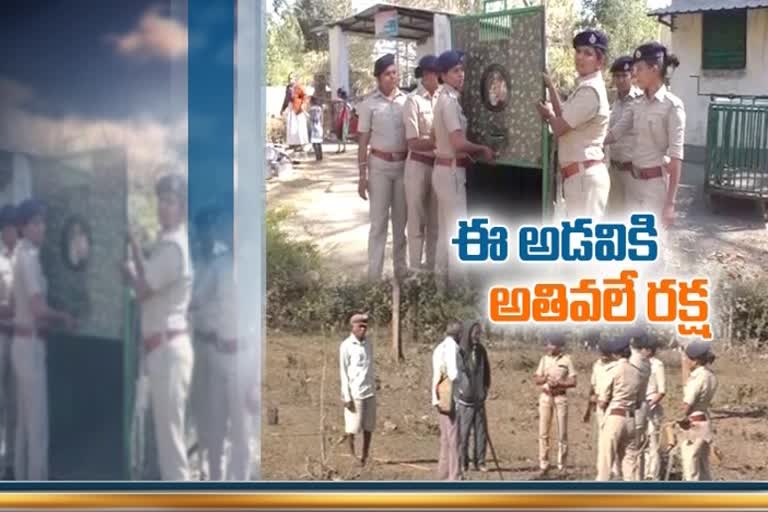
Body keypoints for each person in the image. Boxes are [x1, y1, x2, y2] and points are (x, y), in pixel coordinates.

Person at [122, 174, 194, 481]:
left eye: (171, 202)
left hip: (168, 350)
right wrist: (136, 250)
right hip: (162, 349)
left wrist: (126, 270)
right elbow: (150, 277)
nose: (164, 207)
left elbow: (142, 289)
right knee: (164, 439)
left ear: (181, 208)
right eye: (161, 201)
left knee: (171, 445)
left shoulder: (174, 248)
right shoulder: (168, 245)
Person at [11, 199, 76, 480]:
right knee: (37, 427)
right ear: (24, 227)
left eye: (43, 222)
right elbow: (38, 309)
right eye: (35, 222)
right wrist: (64, 317)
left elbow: (17, 304)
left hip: (22, 342)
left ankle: (20, 484)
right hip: (31, 345)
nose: (42, 227)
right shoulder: (29, 258)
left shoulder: (18, 255)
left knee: (24, 425)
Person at [604, 42, 684, 229]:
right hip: (633, 183)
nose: (634, 75)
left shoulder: (672, 106)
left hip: (654, 187)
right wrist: (589, 143)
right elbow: (615, 133)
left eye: (638, 69)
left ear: (654, 69)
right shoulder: (637, 104)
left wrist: (670, 204)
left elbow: (676, 159)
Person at [432, 50, 495, 285]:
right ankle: (460, 292)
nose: (461, 75)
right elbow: (458, 142)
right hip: (451, 172)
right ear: (443, 75)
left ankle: (439, 290)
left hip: (444, 169)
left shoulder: (446, 99)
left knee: (445, 235)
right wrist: (482, 150)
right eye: (455, 71)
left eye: (462, 70)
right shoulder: (448, 102)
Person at [536, 30, 611, 220]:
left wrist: (548, 115)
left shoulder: (590, 91)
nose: (580, 57)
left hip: (585, 177)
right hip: (579, 177)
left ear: (599, 61)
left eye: (588, 53)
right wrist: (551, 87)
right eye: (578, 51)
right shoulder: (585, 87)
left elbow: (560, 127)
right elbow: (564, 114)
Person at [204, 210, 254, 480]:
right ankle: (213, 484)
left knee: (241, 434)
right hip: (218, 354)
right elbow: (199, 300)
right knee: (215, 428)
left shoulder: (253, 266)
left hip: (244, 357)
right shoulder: (218, 266)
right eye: (227, 228)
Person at [356, 54, 409, 282]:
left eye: (395, 72)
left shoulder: (407, 101)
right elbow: (363, 140)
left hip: (403, 167)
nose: (392, 77)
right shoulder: (369, 104)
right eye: (387, 73)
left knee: (401, 224)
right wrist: (362, 175)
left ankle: (401, 272)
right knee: (378, 224)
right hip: (379, 168)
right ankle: (374, 278)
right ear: (378, 77)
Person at [187, 206, 222, 479]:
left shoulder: (223, 261)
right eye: (203, 230)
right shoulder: (193, 263)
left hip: (221, 343)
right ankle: (200, 468)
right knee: (199, 404)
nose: (207, 235)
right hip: (195, 342)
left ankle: (214, 467)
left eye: (211, 229)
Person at [403, 55, 441, 272]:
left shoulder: (443, 98)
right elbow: (413, 141)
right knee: (417, 221)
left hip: (438, 166)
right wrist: (439, 141)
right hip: (418, 166)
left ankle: (432, 267)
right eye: (437, 73)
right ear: (427, 75)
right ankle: (416, 269)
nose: (440, 77)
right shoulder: (413, 101)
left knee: (435, 222)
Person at [596, 334, 644, 481]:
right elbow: (639, 402)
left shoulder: (612, 369)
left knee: (606, 460)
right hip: (631, 418)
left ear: (615, 353)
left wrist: (600, 403)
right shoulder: (637, 372)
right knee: (630, 462)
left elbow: (603, 401)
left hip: (615, 416)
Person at [532, 332, 577, 477]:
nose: (549, 347)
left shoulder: (567, 360)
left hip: (560, 398)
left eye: (552, 344)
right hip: (545, 397)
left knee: (562, 433)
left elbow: (573, 381)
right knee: (543, 432)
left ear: (559, 346)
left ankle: (561, 466)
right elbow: (536, 379)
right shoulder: (544, 360)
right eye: (548, 344)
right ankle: (544, 464)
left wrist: (560, 383)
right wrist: (545, 378)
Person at [606, 55, 642, 217]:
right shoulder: (616, 102)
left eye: (624, 75)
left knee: (631, 217)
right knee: (613, 217)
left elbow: (616, 132)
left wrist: (591, 143)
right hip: (614, 169)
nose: (620, 80)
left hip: (632, 172)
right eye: (617, 76)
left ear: (632, 77)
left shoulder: (639, 100)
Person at [339, 313, 376, 466]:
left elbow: (370, 367)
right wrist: (346, 397)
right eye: (359, 326)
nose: (362, 329)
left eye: (365, 326)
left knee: (369, 426)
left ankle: (365, 455)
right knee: (352, 427)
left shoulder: (368, 344)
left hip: (370, 391)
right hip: (355, 393)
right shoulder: (346, 346)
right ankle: (352, 455)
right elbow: (343, 372)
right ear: (352, 326)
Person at [679, 340, 718, 481]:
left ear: (695, 360)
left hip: (694, 424)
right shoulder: (710, 375)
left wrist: (680, 417)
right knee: (703, 466)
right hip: (705, 421)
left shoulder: (697, 378)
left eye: (688, 359)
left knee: (691, 468)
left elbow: (687, 404)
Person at [455, 321, 491, 474]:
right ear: (469, 334)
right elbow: (457, 374)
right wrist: (461, 391)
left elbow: (487, 372)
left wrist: (485, 389)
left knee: (481, 432)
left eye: (479, 333)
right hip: (465, 401)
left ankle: (480, 461)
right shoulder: (462, 352)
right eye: (475, 333)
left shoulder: (482, 351)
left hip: (479, 399)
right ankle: (464, 463)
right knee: (464, 433)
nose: (477, 336)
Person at [432, 320, 462, 480]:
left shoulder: (439, 347)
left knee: (445, 439)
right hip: (450, 397)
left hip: (439, 397)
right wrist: (463, 376)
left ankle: (443, 475)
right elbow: (453, 373)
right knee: (453, 439)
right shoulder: (452, 348)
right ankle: (454, 476)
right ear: (458, 334)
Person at [0, 205, 16, 480]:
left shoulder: (25, 257)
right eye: (12, 226)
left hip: (19, 337)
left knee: (15, 403)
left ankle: (10, 461)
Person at [586, 338, 618, 478]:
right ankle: (602, 469)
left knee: (612, 438)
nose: (604, 356)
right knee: (602, 438)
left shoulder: (617, 366)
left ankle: (616, 469)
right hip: (599, 405)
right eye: (602, 353)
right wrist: (589, 407)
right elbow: (592, 387)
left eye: (607, 353)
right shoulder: (597, 365)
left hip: (612, 405)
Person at [626, 328, 652, 480]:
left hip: (633, 407)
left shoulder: (633, 361)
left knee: (631, 451)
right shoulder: (646, 362)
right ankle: (639, 479)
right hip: (642, 407)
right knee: (639, 449)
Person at [642, 336, 666, 480]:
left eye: (643, 349)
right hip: (639, 407)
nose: (641, 351)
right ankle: (643, 473)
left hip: (652, 407)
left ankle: (653, 475)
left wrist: (650, 405)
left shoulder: (657, 365)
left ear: (650, 350)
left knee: (653, 443)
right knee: (641, 442)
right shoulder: (637, 363)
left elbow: (662, 391)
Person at [283, 75, 309, 151]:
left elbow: (305, 97)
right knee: (291, 126)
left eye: (292, 78)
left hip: (298, 109)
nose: (291, 80)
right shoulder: (288, 88)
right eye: (290, 79)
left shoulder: (299, 87)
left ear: (295, 79)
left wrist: (303, 105)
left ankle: (301, 145)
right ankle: (292, 144)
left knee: (299, 127)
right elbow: (286, 99)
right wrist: (283, 109)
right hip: (291, 108)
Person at [335, 89, 352, 154]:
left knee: (339, 134)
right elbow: (350, 110)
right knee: (343, 134)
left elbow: (337, 110)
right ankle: (344, 148)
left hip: (341, 119)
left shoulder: (339, 102)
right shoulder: (347, 103)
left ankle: (339, 148)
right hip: (345, 119)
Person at [309, 96, 324, 161]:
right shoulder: (319, 108)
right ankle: (320, 155)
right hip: (319, 126)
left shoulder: (311, 109)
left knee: (314, 142)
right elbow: (322, 117)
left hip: (313, 126)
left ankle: (317, 156)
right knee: (319, 142)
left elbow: (310, 118)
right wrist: (321, 124)